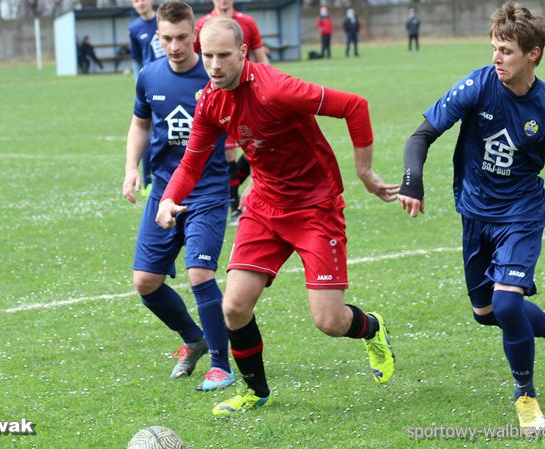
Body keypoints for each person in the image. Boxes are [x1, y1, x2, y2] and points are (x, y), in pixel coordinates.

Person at [157, 17, 399, 416]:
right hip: (264, 207)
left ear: (243, 52)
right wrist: (169, 199)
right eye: (208, 56)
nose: (214, 65)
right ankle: (256, 391)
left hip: (315, 208)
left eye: (223, 55)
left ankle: (372, 327)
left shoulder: (276, 89)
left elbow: (354, 106)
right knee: (234, 307)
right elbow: (192, 162)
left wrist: (365, 173)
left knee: (329, 321)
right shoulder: (210, 100)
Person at [398, 2, 545, 435]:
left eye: (506, 51)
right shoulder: (478, 84)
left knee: (508, 304)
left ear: (533, 54)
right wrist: (412, 181)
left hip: (520, 216)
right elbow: (421, 136)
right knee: (487, 312)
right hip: (475, 214)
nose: (496, 58)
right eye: (494, 47)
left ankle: (525, 397)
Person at [122, 1, 235, 392]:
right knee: (145, 282)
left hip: (207, 190)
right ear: (158, 36)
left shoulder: (215, 77)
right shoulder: (149, 76)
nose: (175, 46)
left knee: (200, 273)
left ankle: (220, 365)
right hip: (163, 191)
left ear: (195, 35)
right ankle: (194, 337)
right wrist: (131, 169)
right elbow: (140, 124)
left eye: (183, 38)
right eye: (167, 38)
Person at [194, 0, 270, 226]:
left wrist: (268, 85)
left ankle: (247, 194)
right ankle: (234, 206)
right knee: (227, 154)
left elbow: (261, 56)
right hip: (219, 100)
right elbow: (196, 61)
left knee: (259, 146)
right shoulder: (201, 25)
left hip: (248, 97)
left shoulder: (247, 22)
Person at [129, 0, 167, 195]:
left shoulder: (163, 20)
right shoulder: (134, 28)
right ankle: (148, 180)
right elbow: (136, 59)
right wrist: (140, 84)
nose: (141, 3)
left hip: (169, 80)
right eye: (136, 0)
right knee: (148, 131)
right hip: (151, 85)